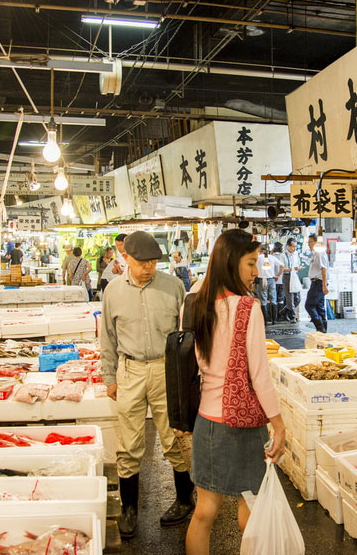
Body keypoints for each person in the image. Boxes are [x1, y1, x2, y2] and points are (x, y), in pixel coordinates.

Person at [184, 229, 286, 555]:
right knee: (252, 505)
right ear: (232, 262)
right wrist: (279, 424)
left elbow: (194, 363)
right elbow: (259, 374)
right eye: (251, 263)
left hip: (207, 422)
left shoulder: (196, 303)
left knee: (203, 513)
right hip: (241, 424)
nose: (256, 271)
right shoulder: (247, 307)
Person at [100, 231, 190, 538]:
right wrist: (109, 377)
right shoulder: (112, 291)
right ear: (126, 259)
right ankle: (129, 508)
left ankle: (184, 498)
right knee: (128, 443)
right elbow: (107, 339)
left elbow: (186, 334)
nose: (148, 268)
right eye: (142, 262)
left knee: (175, 435)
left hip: (167, 369)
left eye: (153, 262)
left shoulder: (174, 286)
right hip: (129, 370)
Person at [305, 234, 329, 332]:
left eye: (310, 242)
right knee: (319, 307)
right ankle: (323, 331)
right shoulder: (315, 253)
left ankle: (320, 328)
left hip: (318, 283)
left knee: (309, 305)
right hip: (316, 282)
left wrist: (324, 285)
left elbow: (323, 269)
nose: (309, 244)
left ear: (316, 242)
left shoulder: (319, 253)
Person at [279, 238, 302, 322]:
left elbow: (298, 264)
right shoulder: (282, 255)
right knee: (290, 298)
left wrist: (298, 268)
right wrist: (292, 269)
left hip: (295, 276)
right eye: (293, 246)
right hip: (287, 277)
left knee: (298, 298)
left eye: (296, 246)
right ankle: (293, 317)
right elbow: (282, 269)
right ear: (288, 246)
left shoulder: (296, 254)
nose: (294, 248)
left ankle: (284, 311)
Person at [255, 245, 278, 325]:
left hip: (262, 279)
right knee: (273, 299)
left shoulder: (258, 258)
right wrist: (277, 275)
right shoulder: (272, 257)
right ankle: (274, 320)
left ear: (260, 251)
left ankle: (264, 321)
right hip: (271, 279)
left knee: (263, 300)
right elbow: (282, 266)